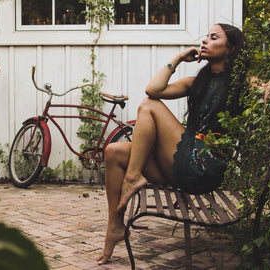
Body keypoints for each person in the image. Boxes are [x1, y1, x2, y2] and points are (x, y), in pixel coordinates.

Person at [97, 23, 246, 265]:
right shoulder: (196, 82)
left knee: (148, 106)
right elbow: (153, 88)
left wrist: (269, 87)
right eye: (205, 37)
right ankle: (115, 225)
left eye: (213, 37)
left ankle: (133, 176)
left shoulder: (241, 83)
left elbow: (150, 98)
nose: (205, 41)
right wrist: (177, 59)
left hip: (205, 166)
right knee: (113, 152)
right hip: (183, 164)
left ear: (230, 49)